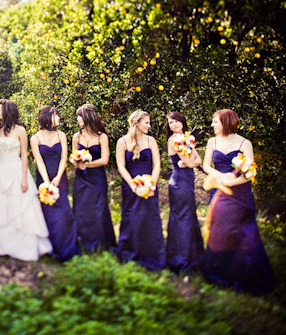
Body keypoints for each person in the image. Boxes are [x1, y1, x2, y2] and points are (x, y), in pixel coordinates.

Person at [201, 109, 275, 294]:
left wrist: (231, 181)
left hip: (240, 195)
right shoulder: (212, 142)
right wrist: (221, 177)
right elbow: (206, 166)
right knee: (219, 231)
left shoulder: (244, 143)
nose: (212, 125)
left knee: (244, 234)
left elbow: (250, 173)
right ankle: (218, 272)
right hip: (220, 192)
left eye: (215, 122)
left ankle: (246, 274)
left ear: (226, 122)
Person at [0, 99, 52, 261]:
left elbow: (24, 155)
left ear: (7, 111)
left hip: (16, 170)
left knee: (18, 207)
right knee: (1, 207)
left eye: (0, 109)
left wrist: (24, 178)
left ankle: (22, 246)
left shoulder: (20, 131)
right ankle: (1, 244)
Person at [114, 110, 165, 270]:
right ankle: (131, 252)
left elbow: (157, 165)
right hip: (131, 186)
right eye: (147, 123)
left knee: (150, 217)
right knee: (131, 217)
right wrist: (133, 185)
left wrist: (152, 183)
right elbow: (121, 166)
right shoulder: (122, 141)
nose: (149, 126)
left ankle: (151, 253)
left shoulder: (151, 141)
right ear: (137, 123)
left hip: (149, 186)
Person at [31, 106, 80, 261]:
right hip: (44, 178)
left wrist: (58, 177)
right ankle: (49, 247)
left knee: (64, 211)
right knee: (48, 212)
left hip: (60, 177)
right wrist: (46, 182)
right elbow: (38, 160)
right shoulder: (35, 138)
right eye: (56, 116)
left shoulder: (61, 135)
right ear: (48, 117)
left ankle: (66, 247)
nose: (59, 118)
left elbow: (64, 157)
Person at [71, 104, 116, 252]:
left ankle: (100, 242)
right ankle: (83, 240)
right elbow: (73, 157)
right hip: (81, 179)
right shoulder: (76, 137)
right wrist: (76, 163)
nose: (78, 119)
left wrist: (87, 165)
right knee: (82, 208)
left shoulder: (102, 137)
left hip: (97, 178)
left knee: (98, 208)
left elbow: (105, 160)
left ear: (87, 117)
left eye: (80, 116)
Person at [164, 111, 204, 273]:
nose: (174, 124)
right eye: (170, 123)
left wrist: (190, 158)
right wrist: (190, 159)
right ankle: (181, 259)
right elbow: (190, 161)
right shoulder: (175, 140)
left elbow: (198, 161)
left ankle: (194, 256)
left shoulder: (187, 139)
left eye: (176, 121)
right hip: (179, 183)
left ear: (182, 121)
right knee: (182, 217)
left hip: (188, 181)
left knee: (189, 216)